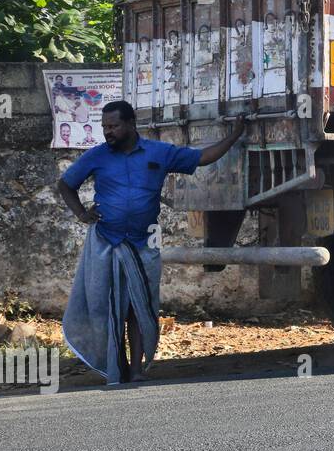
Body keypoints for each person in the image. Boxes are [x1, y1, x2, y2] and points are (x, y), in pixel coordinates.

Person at [56, 101, 245, 384]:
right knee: (109, 307)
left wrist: (234, 136)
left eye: (114, 126)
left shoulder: (159, 153)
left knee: (139, 306)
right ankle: (115, 368)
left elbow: (202, 158)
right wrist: (82, 214)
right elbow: (65, 184)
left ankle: (136, 369)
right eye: (105, 126)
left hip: (144, 244)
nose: (108, 132)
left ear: (131, 124)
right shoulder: (97, 156)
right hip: (106, 242)